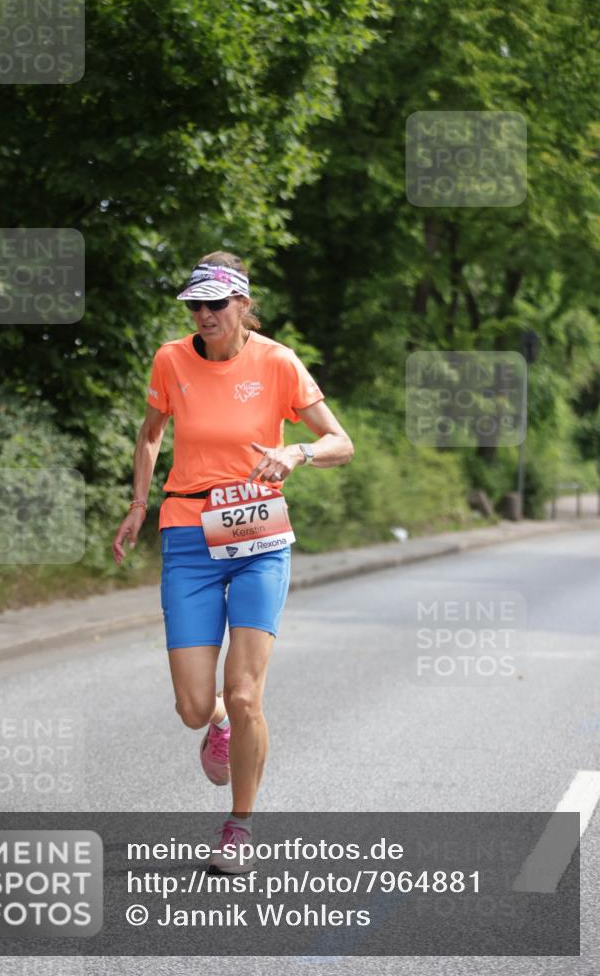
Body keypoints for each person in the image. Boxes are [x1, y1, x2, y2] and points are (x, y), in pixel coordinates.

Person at [112, 251, 353, 872]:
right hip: (189, 537)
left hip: (258, 536)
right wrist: (139, 504)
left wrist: (296, 454)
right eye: (196, 304)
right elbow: (150, 434)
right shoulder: (171, 358)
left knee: (245, 693)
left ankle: (239, 825)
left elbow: (341, 442)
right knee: (196, 706)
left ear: (244, 304)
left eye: (216, 304)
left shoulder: (277, 362)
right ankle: (214, 721)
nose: (204, 315)